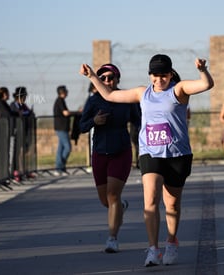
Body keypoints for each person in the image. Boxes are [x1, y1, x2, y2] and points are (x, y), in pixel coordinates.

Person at [79, 54, 214, 267]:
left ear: (170, 74)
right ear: (149, 75)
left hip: (177, 155)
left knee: (172, 204)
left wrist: (202, 70)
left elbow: (206, 84)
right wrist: (92, 77)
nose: (159, 79)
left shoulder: (178, 90)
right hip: (150, 153)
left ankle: (171, 241)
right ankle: (153, 249)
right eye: (155, 75)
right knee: (150, 200)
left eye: (163, 75)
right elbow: (110, 96)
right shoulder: (143, 93)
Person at [79, 63, 139, 254]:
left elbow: (140, 121)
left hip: (120, 151)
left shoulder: (127, 99)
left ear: (117, 79)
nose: (107, 81)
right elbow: (81, 127)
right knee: (106, 201)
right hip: (99, 153)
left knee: (113, 195)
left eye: (110, 78)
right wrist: (93, 122)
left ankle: (112, 238)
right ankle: (120, 207)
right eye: (103, 78)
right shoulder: (93, 101)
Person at [53, 85, 74, 176]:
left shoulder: (62, 101)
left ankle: (60, 168)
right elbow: (65, 113)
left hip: (63, 128)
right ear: (62, 92)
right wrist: (77, 112)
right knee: (68, 147)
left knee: (60, 149)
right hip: (61, 128)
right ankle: (60, 167)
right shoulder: (59, 101)